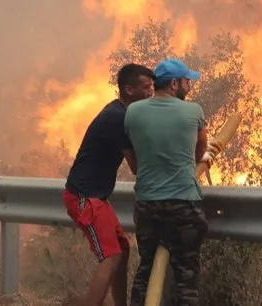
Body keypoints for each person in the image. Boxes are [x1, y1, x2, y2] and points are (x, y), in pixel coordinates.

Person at [63, 63, 155, 306]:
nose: (151, 92)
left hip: (96, 197)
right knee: (111, 255)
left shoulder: (119, 112)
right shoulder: (117, 118)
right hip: (85, 197)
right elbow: (136, 166)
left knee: (121, 250)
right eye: (146, 88)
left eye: (152, 87)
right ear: (129, 90)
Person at [124, 58, 209, 306]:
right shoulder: (193, 111)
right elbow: (199, 149)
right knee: (186, 277)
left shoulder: (133, 112)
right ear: (174, 84)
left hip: (147, 204)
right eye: (186, 81)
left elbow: (137, 154)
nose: (189, 86)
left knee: (146, 269)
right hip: (183, 204)